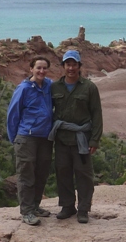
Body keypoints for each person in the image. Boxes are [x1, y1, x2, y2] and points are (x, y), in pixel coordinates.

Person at [48, 49, 103, 223]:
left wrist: (95, 139)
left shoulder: (89, 87)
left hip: (82, 139)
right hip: (62, 138)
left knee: (83, 175)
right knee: (63, 172)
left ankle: (84, 209)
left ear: (79, 66)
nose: (71, 68)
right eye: (67, 64)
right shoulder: (55, 87)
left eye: (74, 64)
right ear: (63, 66)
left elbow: (97, 114)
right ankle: (67, 206)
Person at [6, 55, 54, 225]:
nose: (41, 71)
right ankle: (26, 212)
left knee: (41, 173)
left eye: (44, 68)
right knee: (26, 175)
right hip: (27, 137)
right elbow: (13, 115)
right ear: (31, 69)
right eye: (38, 68)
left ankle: (35, 206)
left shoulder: (49, 85)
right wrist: (16, 139)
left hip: (45, 138)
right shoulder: (23, 88)